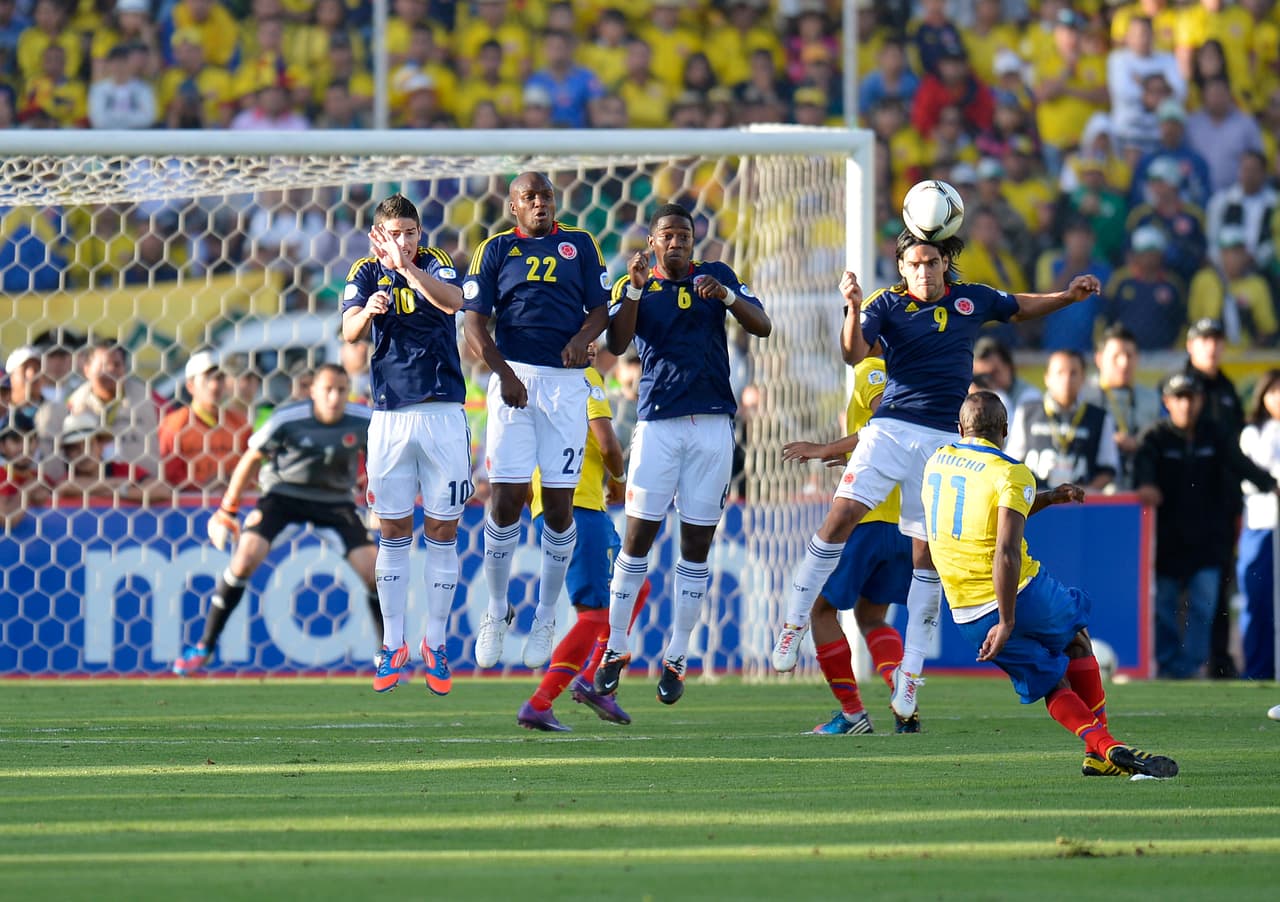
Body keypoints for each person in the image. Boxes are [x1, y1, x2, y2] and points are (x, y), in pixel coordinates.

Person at [772, 228, 1100, 731]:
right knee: (840, 517)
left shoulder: (972, 300)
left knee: (928, 557)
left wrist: (1066, 296)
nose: (924, 271)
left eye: (931, 261)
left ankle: (910, 674)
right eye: (914, 264)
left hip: (940, 443)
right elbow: (853, 353)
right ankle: (794, 621)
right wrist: (852, 306)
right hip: (889, 429)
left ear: (944, 263)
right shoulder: (887, 304)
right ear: (902, 269)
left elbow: (1019, 305)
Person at [922, 390, 1178, 779]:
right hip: (1020, 593)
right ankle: (1100, 752)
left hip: (966, 612)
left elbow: (989, 509)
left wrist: (1049, 497)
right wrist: (1006, 621)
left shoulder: (937, 461)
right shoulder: (1010, 471)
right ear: (1005, 431)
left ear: (960, 429)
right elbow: (1005, 550)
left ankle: (1105, 750)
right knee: (1076, 638)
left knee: (1050, 682)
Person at [593, 201, 772, 706]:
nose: (676, 242)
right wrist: (630, 289)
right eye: (667, 235)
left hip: (714, 426)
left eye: (684, 235)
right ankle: (617, 646)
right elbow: (618, 341)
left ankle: (676, 655)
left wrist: (729, 297)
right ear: (652, 242)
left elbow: (762, 326)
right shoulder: (638, 285)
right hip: (658, 426)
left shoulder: (716, 278)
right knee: (637, 540)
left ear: (694, 242)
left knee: (695, 547)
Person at [461, 171, 611, 670]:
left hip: (567, 385)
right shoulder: (495, 250)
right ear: (514, 207)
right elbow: (474, 322)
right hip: (515, 379)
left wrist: (582, 337)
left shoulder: (581, 244)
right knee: (505, 499)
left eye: (545, 195)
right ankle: (497, 607)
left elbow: (601, 309)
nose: (540, 203)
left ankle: (546, 614)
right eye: (530, 197)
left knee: (560, 504)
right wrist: (502, 372)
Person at [341, 193, 470, 695]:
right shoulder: (365, 272)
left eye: (411, 232)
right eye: (395, 234)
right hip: (390, 416)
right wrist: (368, 312)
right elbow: (349, 332)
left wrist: (407, 269)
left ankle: (434, 644)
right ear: (378, 235)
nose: (404, 241)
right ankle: (392, 644)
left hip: (442, 411)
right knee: (392, 532)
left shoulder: (436, 263)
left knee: (441, 530)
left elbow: (454, 302)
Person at [172, 365, 379, 675]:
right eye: (327, 390)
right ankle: (205, 644)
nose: (334, 397)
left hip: (335, 503)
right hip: (283, 498)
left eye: (340, 389)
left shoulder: (363, 421)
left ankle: (387, 653)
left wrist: (382, 503)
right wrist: (227, 510)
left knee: (373, 572)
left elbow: (383, 460)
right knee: (243, 560)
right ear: (313, 391)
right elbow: (251, 458)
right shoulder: (288, 419)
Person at [516, 344, 648, 731]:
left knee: (634, 588)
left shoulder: (533, 385)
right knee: (595, 615)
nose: (594, 345)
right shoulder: (584, 379)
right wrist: (620, 483)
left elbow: (519, 463)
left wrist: (535, 507)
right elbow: (608, 443)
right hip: (584, 507)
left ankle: (595, 676)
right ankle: (548, 698)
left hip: (550, 507)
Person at [777, 357, 911, 734]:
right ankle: (905, 702)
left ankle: (853, 714)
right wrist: (852, 454)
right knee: (870, 617)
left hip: (864, 519)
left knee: (819, 611)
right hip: (900, 519)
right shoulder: (910, 371)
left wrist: (824, 447)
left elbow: (884, 426)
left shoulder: (873, 366)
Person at [1135, 372, 1276, 679]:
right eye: (1179, 398)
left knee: (1204, 605)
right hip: (1167, 541)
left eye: (1191, 397)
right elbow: (1142, 472)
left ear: (1200, 401)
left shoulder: (1216, 434)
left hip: (1208, 540)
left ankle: (1188, 669)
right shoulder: (1155, 437)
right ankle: (1169, 667)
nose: (1186, 404)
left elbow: (1241, 464)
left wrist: (1270, 484)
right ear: (1167, 402)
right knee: (1164, 610)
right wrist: (1145, 485)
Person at [1006, 349, 1119, 492]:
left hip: (1081, 505)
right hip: (1036, 502)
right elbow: (1012, 462)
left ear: (1083, 378)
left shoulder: (1100, 417)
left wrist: (1085, 492)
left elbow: (1108, 469)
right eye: (1060, 373)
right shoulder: (1027, 412)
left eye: (1073, 373)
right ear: (1047, 378)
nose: (1066, 380)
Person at [1080, 325, 1164, 490]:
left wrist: (1139, 443)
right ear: (1099, 359)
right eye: (1116, 356)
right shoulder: (1083, 396)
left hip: (1140, 489)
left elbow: (1162, 442)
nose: (1124, 363)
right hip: (1091, 490)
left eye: (1129, 355)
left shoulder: (1152, 399)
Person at [158, 350, 250, 499]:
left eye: (219, 378)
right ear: (190, 386)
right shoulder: (174, 425)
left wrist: (231, 482)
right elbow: (168, 477)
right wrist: (202, 485)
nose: (214, 386)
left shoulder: (240, 425)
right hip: (188, 507)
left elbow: (253, 470)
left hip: (232, 505)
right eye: (207, 378)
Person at [1238, 369, 1280, 680]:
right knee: (1258, 599)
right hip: (1262, 524)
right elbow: (1246, 478)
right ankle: (1257, 670)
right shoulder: (1253, 433)